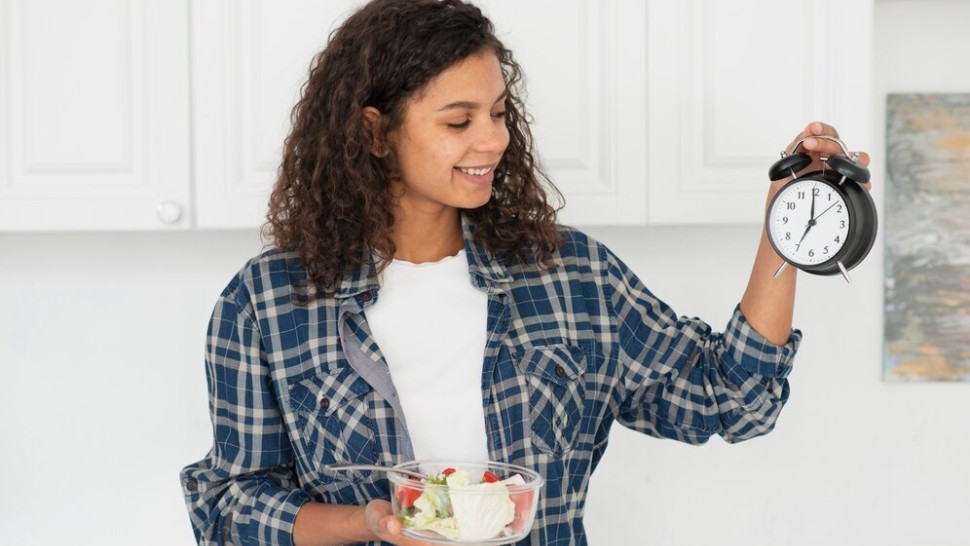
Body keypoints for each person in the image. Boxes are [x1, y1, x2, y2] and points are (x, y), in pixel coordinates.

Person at [180, 0, 871, 545]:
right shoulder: (267, 302)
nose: (495, 140)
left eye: (499, 112)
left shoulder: (569, 277)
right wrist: (371, 523)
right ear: (372, 133)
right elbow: (231, 509)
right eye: (459, 121)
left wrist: (789, 230)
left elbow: (734, 399)